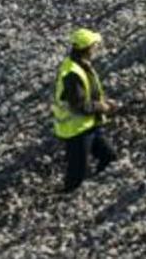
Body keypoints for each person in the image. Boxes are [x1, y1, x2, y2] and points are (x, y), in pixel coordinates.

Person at [52, 28, 118, 193]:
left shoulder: (81, 65)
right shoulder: (72, 74)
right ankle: (66, 198)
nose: (97, 48)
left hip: (90, 125)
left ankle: (97, 188)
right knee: (77, 172)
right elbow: (79, 105)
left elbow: (90, 93)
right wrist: (103, 107)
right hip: (77, 130)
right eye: (95, 45)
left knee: (109, 157)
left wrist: (103, 102)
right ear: (87, 48)